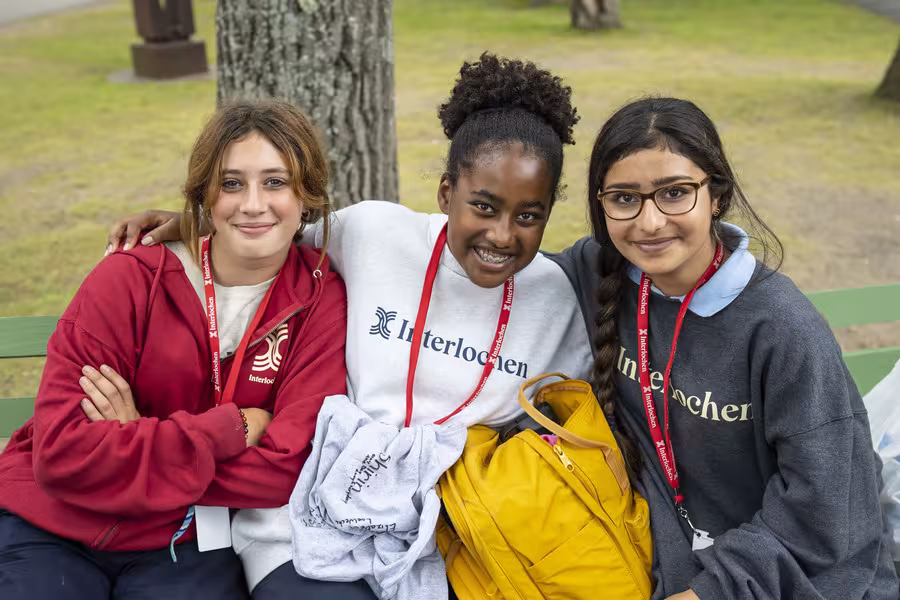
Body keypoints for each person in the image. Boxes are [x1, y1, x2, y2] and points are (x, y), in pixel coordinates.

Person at [102, 54, 596, 599]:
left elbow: (566, 426)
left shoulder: (553, 297)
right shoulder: (372, 232)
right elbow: (268, 228)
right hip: (306, 520)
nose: (502, 235)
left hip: (451, 538)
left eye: (529, 215)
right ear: (446, 192)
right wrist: (187, 223)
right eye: (483, 206)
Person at [549, 97, 899, 599]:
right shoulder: (599, 273)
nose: (648, 223)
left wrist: (711, 592)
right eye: (624, 198)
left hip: (790, 581)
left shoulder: (782, 328)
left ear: (717, 195)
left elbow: (825, 508)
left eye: (674, 193)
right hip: (660, 569)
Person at [0, 100, 348, 599]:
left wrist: (132, 440)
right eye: (231, 183)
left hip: (186, 537)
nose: (252, 204)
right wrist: (234, 428)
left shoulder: (318, 299)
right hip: (52, 523)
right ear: (204, 194)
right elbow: (59, 456)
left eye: (276, 182)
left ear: (306, 195)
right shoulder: (129, 277)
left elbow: (283, 470)